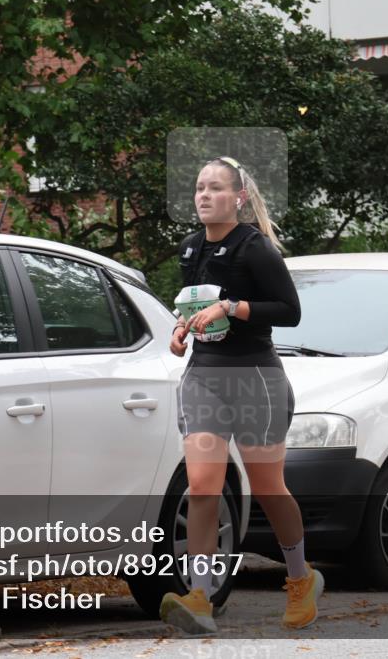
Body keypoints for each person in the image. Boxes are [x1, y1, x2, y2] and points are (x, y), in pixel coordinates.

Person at [158, 156, 324, 635]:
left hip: (256, 379)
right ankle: (200, 597)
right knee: (204, 485)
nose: (204, 196)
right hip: (204, 377)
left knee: (269, 488)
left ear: (239, 198)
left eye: (215, 188)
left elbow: (289, 311)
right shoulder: (191, 249)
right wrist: (179, 330)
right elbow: (192, 306)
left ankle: (299, 578)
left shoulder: (256, 249)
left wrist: (232, 306)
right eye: (199, 188)